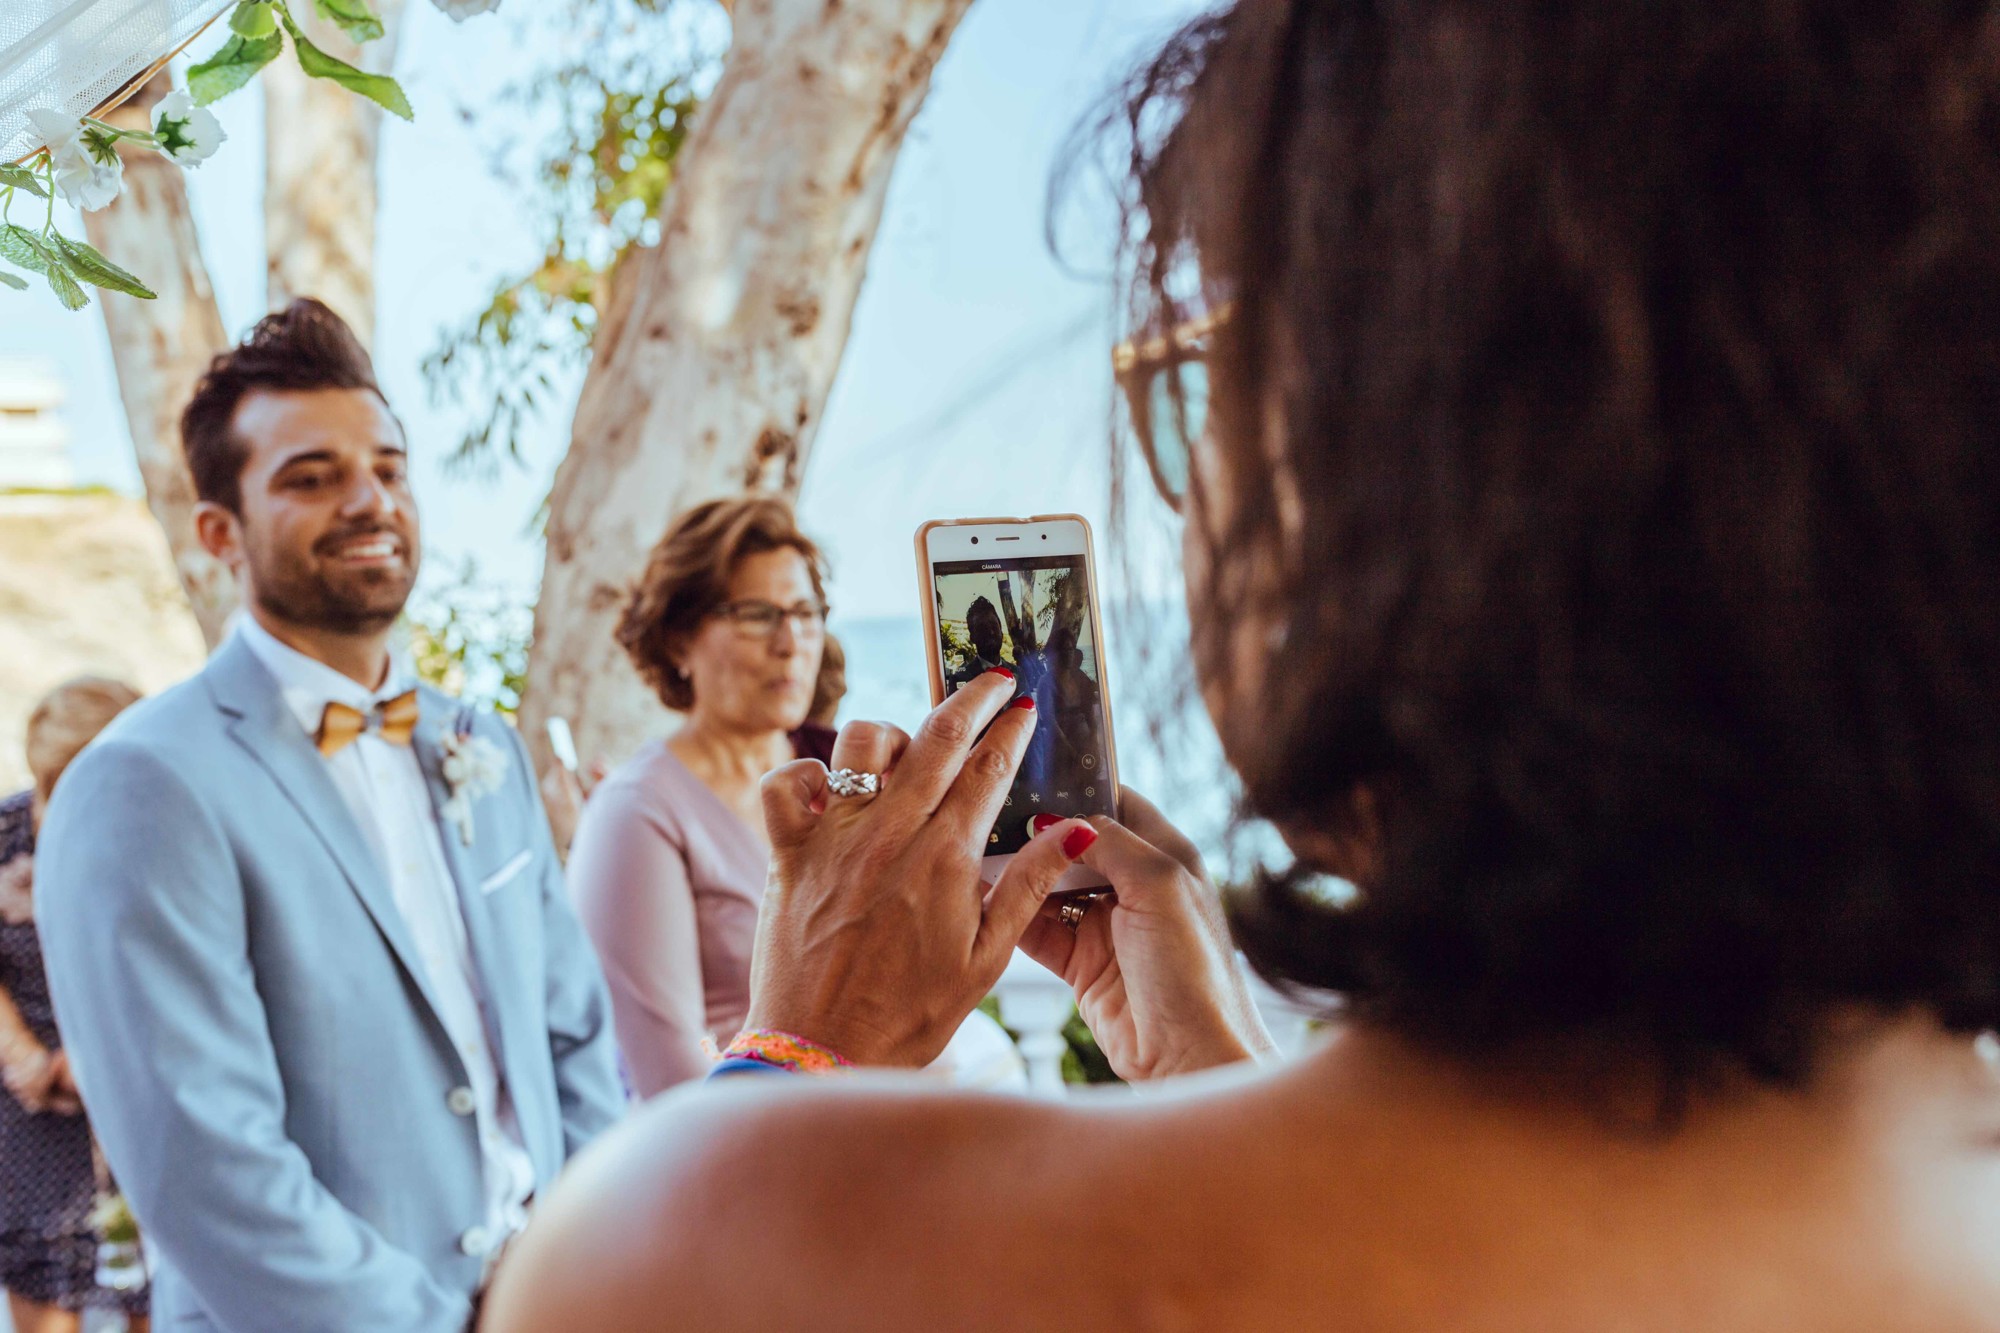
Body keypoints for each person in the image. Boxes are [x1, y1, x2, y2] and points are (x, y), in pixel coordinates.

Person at [485, 1, 2000, 1328]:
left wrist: (802, 1065)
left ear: (1360, 459)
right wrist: (1216, 1069)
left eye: (1197, 386)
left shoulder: (706, 1247)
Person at [34, 299, 623, 1333]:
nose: (369, 500)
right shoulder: (141, 784)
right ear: (220, 530)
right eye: (311, 478)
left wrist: (582, 1275)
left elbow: (574, 1041)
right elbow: (205, 1166)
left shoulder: (479, 745)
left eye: (389, 468)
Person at [566, 498, 831, 1097]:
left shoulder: (842, 770)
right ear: (679, 640)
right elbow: (671, 1080)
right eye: (756, 614)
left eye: (804, 611)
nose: (790, 641)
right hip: (755, 1145)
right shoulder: (637, 812)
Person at [0, 678, 148, 1333]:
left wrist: (107, 1062)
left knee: (152, 1287)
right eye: (50, 780)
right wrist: (26, 1057)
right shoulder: (5, 833)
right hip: (31, 1098)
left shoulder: (160, 836)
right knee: (46, 1292)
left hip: (137, 1089)